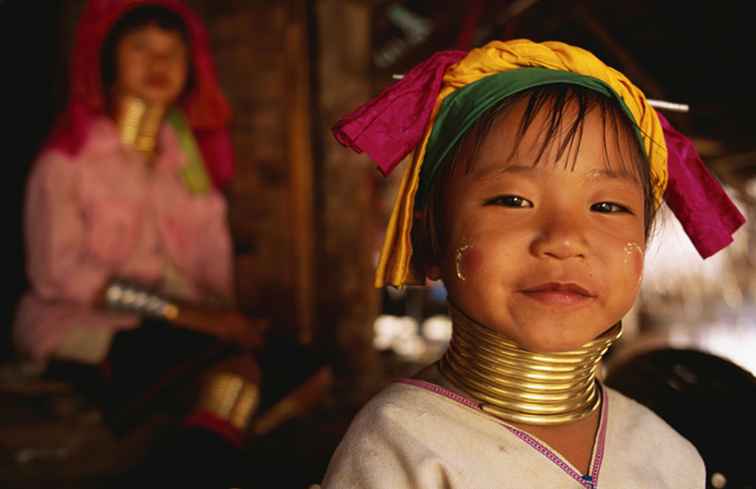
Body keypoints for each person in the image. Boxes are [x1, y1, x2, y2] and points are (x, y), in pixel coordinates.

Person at [318, 39, 746, 488]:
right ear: (429, 239)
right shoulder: (397, 449)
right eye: (513, 200)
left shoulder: (670, 456)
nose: (563, 239)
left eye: (607, 207)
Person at [12, 0, 262, 483]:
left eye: (173, 52)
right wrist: (189, 317)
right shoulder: (66, 162)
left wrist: (225, 320)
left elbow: (212, 271)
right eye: (141, 47)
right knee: (223, 378)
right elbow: (57, 274)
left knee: (293, 365)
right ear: (107, 60)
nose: (159, 63)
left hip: (183, 332)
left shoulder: (187, 168)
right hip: (87, 328)